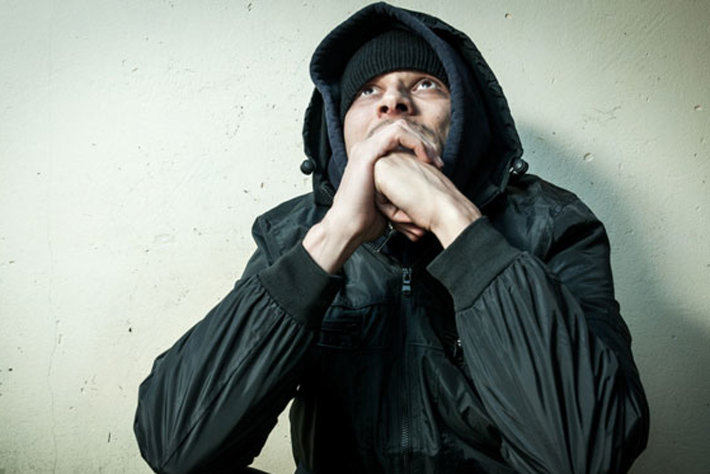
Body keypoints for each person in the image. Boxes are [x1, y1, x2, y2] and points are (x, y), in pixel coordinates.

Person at [134, 3, 649, 473]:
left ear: (466, 116)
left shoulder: (554, 226)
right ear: (340, 129)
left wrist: (454, 220)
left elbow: (586, 457)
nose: (394, 103)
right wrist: (334, 236)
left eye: (425, 84)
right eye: (368, 91)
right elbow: (176, 449)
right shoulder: (292, 234)